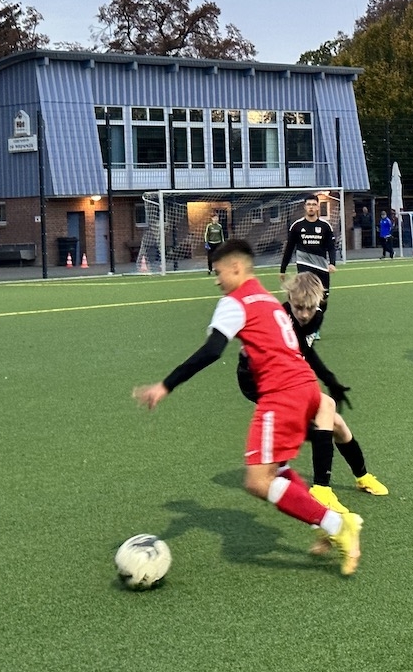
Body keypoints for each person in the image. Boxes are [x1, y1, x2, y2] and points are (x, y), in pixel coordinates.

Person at [132, 238, 363, 576]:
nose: (216, 280)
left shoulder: (234, 301)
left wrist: (164, 385)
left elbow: (212, 351)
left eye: (218, 272)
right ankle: (325, 524)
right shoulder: (268, 300)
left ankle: (338, 525)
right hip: (306, 388)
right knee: (277, 470)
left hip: (281, 395)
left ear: (236, 268)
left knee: (256, 481)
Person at [236, 272, 388, 530]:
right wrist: (329, 380)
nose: (304, 314)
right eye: (298, 307)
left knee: (336, 424)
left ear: (319, 301)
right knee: (326, 411)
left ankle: (362, 476)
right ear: (289, 299)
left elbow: (306, 350)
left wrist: (331, 381)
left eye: (309, 308)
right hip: (257, 380)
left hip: (286, 377)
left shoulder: (317, 315)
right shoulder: (280, 319)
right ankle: (321, 489)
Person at [279, 196, 338, 341]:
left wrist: (332, 263)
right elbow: (289, 249)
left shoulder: (325, 226)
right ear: (305, 207)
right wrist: (283, 269)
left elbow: (331, 247)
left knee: (323, 300)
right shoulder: (297, 226)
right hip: (304, 267)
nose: (311, 207)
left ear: (318, 207)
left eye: (314, 204)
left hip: (322, 268)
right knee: (306, 298)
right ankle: (306, 329)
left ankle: (315, 328)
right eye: (308, 204)